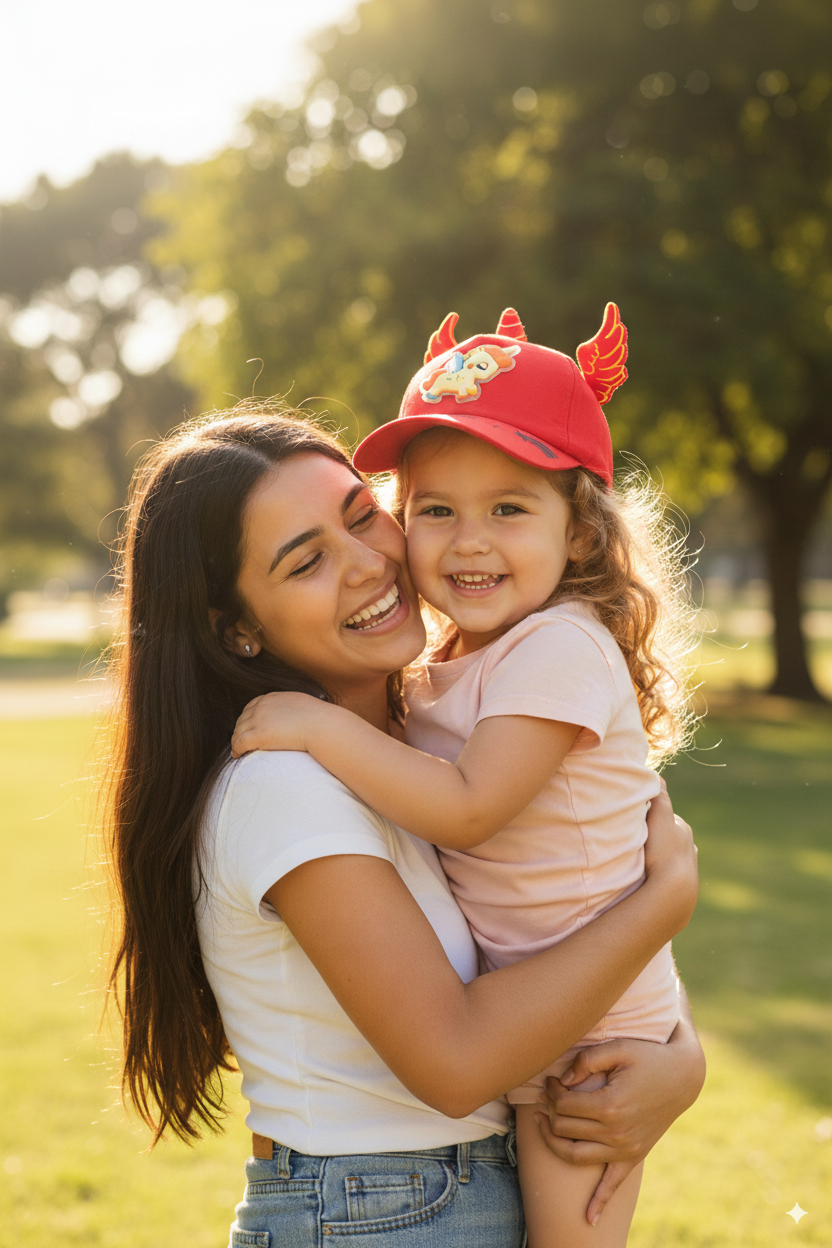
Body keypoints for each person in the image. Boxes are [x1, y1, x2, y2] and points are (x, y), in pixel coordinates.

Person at [105, 403, 703, 1248]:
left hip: (448, 1189)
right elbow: (456, 1062)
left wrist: (680, 1062)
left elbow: (559, 910)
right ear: (237, 628)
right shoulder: (286, 783)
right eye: (307, 562)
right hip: (380, 1211)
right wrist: (663, 903)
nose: (366, 565)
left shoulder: (426, 743)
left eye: (362, 516)